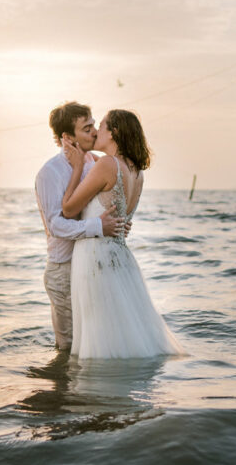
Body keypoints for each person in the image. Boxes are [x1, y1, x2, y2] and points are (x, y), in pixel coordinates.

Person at [61, 109, 183, 359]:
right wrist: (84, 154)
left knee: (100, 336)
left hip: (95, 256)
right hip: (121, 258)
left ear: (114, 132)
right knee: (117, 331)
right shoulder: (136, 171)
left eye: (102, 126)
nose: (96, 131)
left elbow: (69, 208)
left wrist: (75, 168)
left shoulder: (108, 165)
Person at [35, 102, 127, 351]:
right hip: (63, 270)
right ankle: (63, 391)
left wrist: (117, 224)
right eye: (87, 129)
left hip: (88, 268)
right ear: (67, 137)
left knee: (90, 343)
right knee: (68, 347)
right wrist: (99, 226)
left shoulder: (93, 163)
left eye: (94, 125)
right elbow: (56, 225)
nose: (95, 132)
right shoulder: (50, 173)